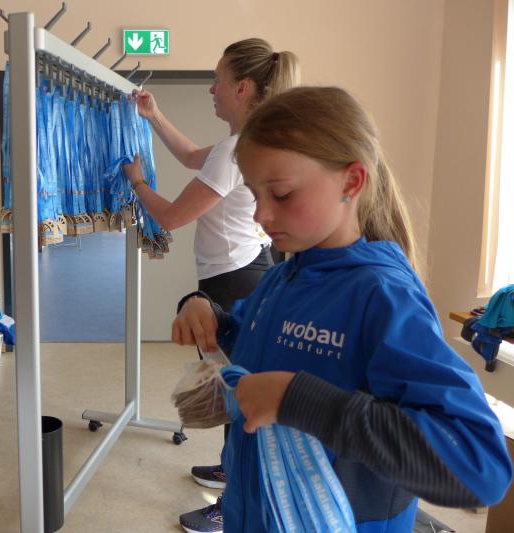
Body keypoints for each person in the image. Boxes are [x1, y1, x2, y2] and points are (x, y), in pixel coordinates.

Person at [171, 86, 513, 532]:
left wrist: (302, 402)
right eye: (254, 194)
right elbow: (255, 344)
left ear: (351, 182)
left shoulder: (383, 297)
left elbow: (481, 468)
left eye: (281, 194)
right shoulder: (280, 278)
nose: (260, 215)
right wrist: (207, 315)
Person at [122, 38, 300, 531]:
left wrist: (137, 182)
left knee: (237, 393)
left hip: (234, 283)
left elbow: (171, 218)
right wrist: (154, 115)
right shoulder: (244, 145)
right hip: (249, 272)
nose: (211, 89)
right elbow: (189, 157)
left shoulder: (233, 151)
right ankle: (228, 469)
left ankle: (231, 501)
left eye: (218, 81)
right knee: (234, 386)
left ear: (242, 88)